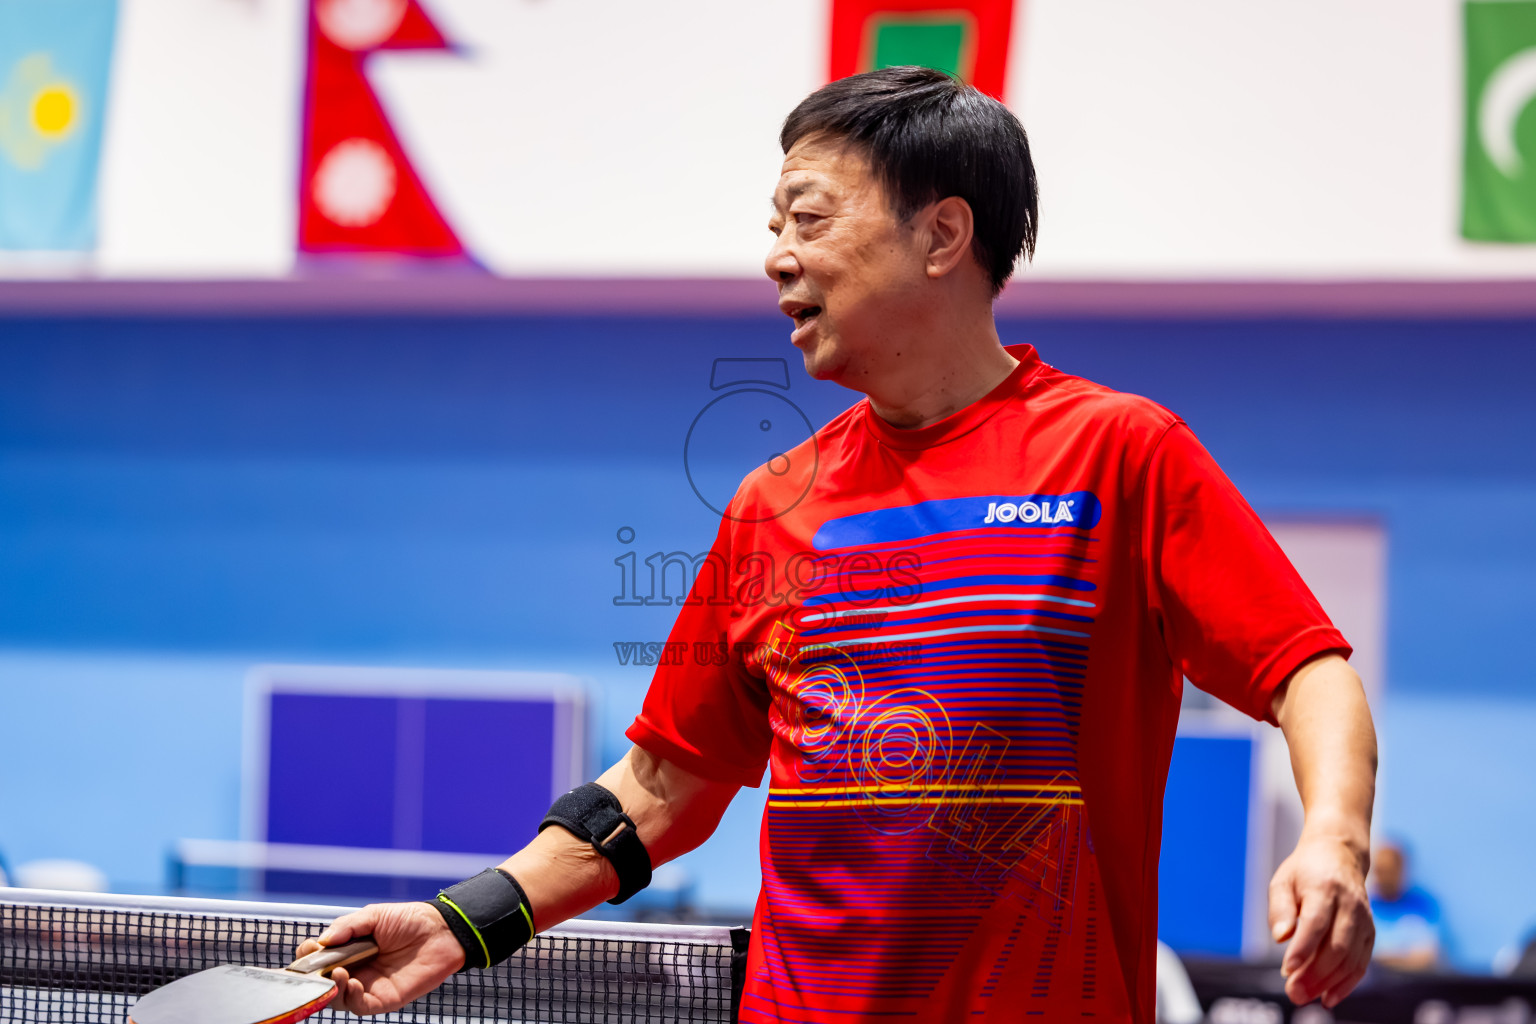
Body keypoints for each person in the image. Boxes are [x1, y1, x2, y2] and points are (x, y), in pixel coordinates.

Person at [300, 67, 1378, 1023]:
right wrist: (463, 920)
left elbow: (1306, 669)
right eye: (775, 225)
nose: (776, 258)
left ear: (943, 235)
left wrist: (1333, 837)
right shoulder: (772, 504)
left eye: (808, 219)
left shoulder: (1116, 453)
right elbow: (655, 788)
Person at [1369, 840, 1442, 970]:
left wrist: (1382, 959)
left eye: (1389, 870)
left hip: (1409, 982)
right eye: (1379, 871)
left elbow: (1427, 957)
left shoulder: (1422, 906)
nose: (1383, 877)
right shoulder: (1365, 904)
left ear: (1401, 869)